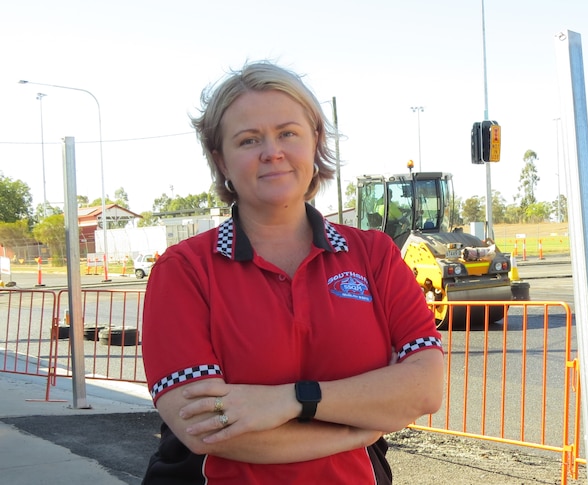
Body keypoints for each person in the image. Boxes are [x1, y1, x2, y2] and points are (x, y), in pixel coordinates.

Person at [141, 60, 445, 484]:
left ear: (315, 140)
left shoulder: (374, 255)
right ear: (221, 160)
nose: (272, 152)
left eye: (287, 133)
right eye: (249, 140)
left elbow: (425, 387)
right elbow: (205, 430)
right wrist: (358, 429)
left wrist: (291, 400)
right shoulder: (184, 271)